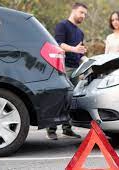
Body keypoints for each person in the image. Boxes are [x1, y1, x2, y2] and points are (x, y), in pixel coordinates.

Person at [46, 2, 88, 140]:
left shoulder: (80, 32)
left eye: (85, 14)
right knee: (59, 98)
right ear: (74, 11)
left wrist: (86, 59)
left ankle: (67, 128)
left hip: (76, 69)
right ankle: (51, 129)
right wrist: (74, 49)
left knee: (71, 100)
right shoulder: (62, 26)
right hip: (62, 68)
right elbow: (58, 45)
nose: (83, 16)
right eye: (81, 12)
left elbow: (80, 53)